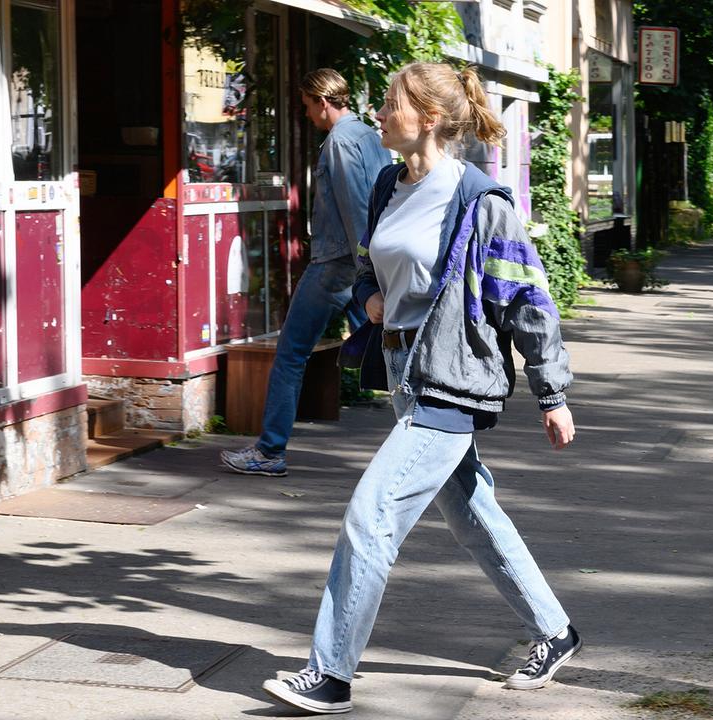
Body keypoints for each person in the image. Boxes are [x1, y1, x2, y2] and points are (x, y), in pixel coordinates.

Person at [260, 62, 580, 715]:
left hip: (453, 381)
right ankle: (556, 630)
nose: (378, 114)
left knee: (370, 518)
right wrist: (371, 297)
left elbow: (527, 299)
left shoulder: (478, 201)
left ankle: (331, 672)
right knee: (472, 514)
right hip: (403, 377)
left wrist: (553, 392)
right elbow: (366, 265)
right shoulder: (387, 183)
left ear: (428, 119)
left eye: (389, 105)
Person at [220, 68, 391, 478]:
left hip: (337, 264)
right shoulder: (371, 136)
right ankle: (432, 434)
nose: (308, 116)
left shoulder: (339, 142)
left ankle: (269, 452)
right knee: (388, 350)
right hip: (365, 264)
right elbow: (385, 199)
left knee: (291, 354)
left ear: (323, 102)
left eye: (308, 107)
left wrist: (364, 267)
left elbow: (353, 208)